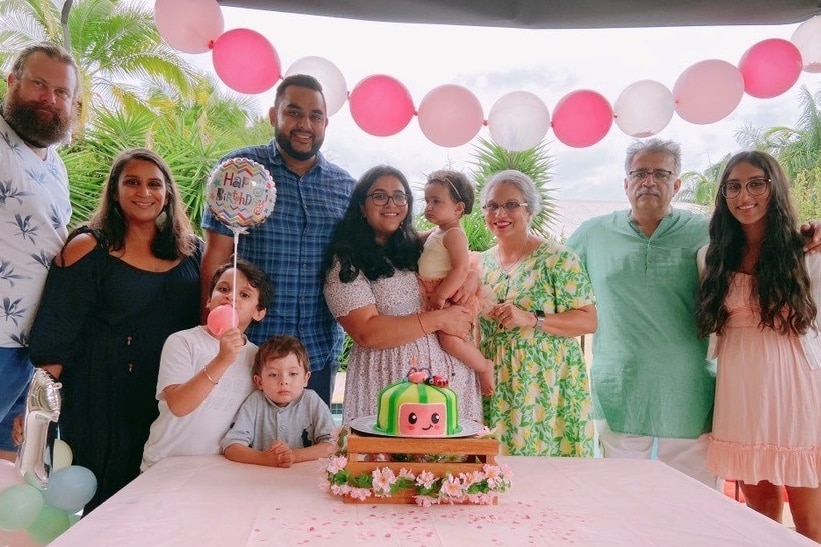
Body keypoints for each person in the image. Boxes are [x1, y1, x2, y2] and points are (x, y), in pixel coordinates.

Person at [28, 148, 202, 511]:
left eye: (155, 184)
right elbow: (57, 332)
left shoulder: (191, 250)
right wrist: (36, 410)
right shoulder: (88, 247)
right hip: (99, 394)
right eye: (132, 182)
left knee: (163, 498)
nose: (144, 192)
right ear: (115, 190)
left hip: (165, 394)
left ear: (168, 193)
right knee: (104, 496)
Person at [566, 139, 719, 486]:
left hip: (689, 388)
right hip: (620, 385)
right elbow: (550, 275)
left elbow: (764, 249)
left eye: (661, 174)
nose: (649, 181)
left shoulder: (708, 230)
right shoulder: (594, 233)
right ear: (625, 183)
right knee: (622, 498)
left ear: (677, 185)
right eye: (640, 173)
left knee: (694, 501)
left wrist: (809, 232)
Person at [201, 73, 355, 408]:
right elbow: (216, 257)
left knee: (311, 452)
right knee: (239, 450)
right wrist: (211, 333)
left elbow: (372, 249)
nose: (305, 124)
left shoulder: (345, 187)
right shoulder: (239, 172)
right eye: (294, 113)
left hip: (317, 352)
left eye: (315, 116)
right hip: (248, 349)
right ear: (274, 115)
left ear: (326, 122)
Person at [695, 151, 821, 542]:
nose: (743, 195)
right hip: (741, 392)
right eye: (733, 186)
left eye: (755, 184)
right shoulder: (711, 257)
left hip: (795, 389)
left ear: (774, 188)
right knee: (760, 518)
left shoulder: (807, 251)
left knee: (810, 524)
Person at [322, 165, 482, 426]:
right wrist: (440, 320)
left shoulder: (414, 246)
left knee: (449, 463)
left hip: (449, 379)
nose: (391, 203)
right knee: (389, 463)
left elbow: (463, 256)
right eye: (379, 196)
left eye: (400, 196)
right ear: (362, 205)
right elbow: (367, 333)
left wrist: (473, 276)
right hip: (389, 380)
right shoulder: (345, 263)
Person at [476, 169, 596, 457]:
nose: (500, 213)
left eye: (511, 205)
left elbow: (589, 320)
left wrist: (531, 318)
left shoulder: (559, 259)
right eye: (492, 205)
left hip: (545, 385)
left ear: (530, 211)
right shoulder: (480, 264)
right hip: (496, 382)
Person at [0, 42, 78, 462]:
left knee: (11, 474)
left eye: (62, 92)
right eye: (39, 85)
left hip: (30, 346)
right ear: (12, 82)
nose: (50, 99)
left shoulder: (55, 163)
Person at [140, 258, 273, 471]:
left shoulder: (257, 357)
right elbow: (179, 406)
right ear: (209, 300)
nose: (230, 297)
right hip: (165, 464)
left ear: (259, 312)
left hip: (216, 469)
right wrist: (222, 360)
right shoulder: (183, 341)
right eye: (223, 289)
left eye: (244, 294)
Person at [419, 170, 494, 395]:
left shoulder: (454, 234)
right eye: (427, 201)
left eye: (436, 201)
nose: (429, 207)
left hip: (450, 294)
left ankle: (483, 366)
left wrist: (441, 294)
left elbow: (461, 268)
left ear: (459, 208)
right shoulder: (438, 232)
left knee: (449, 340)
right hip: (435, 289)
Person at [221, 335, 335, 467]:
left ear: (306, 378)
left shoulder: (312, 401)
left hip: (303, 478)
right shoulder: (255, 402)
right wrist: (265, 458)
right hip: (260, 479)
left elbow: (332, 445)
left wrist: (293, 456)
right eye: (273, 375)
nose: (283, 381)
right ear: (259, 382)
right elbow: (231, 447)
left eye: (293, 374)